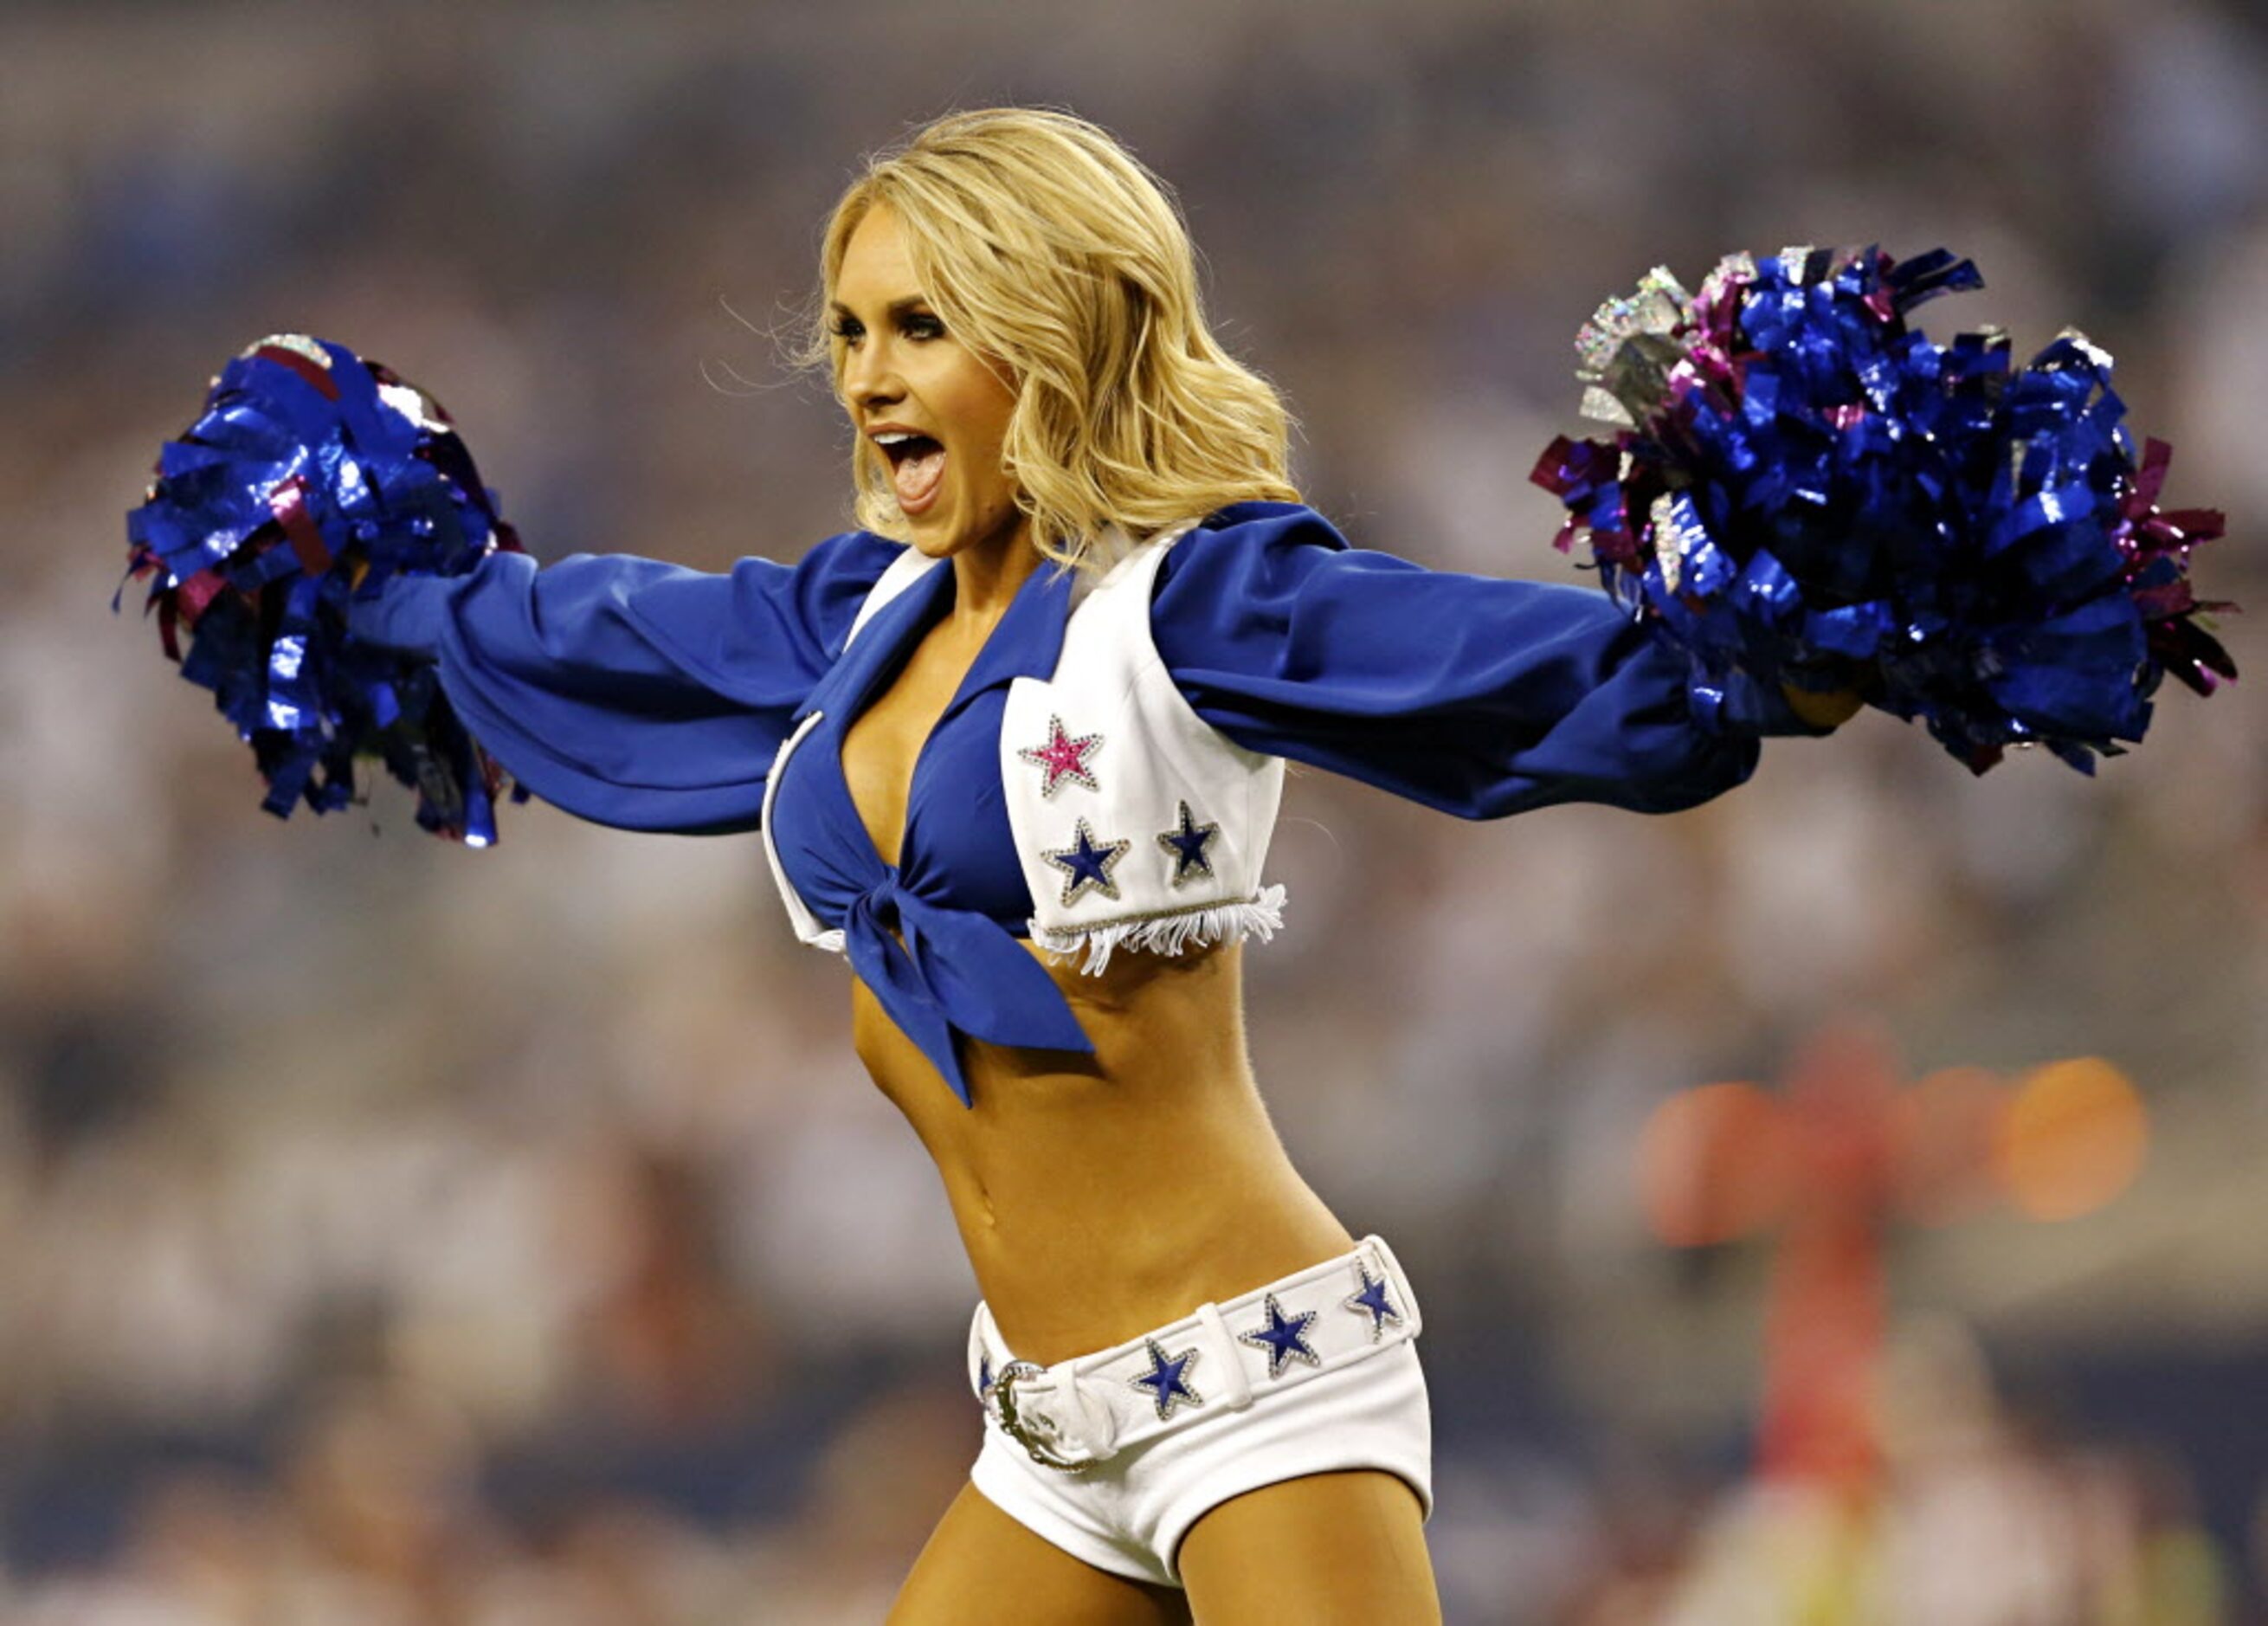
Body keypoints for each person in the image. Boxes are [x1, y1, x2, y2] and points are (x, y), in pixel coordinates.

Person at [349, 107, 1827, 1623]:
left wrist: (1830, 636)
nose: (866, 375)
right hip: (1050, 1429)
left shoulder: (1191, 599)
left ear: (1051, 334)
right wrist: (368, 589)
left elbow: (1528, 671)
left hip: (1256, 1389)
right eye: (850, 328)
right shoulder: (864, 615)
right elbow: (607, 631)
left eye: (922, 326)